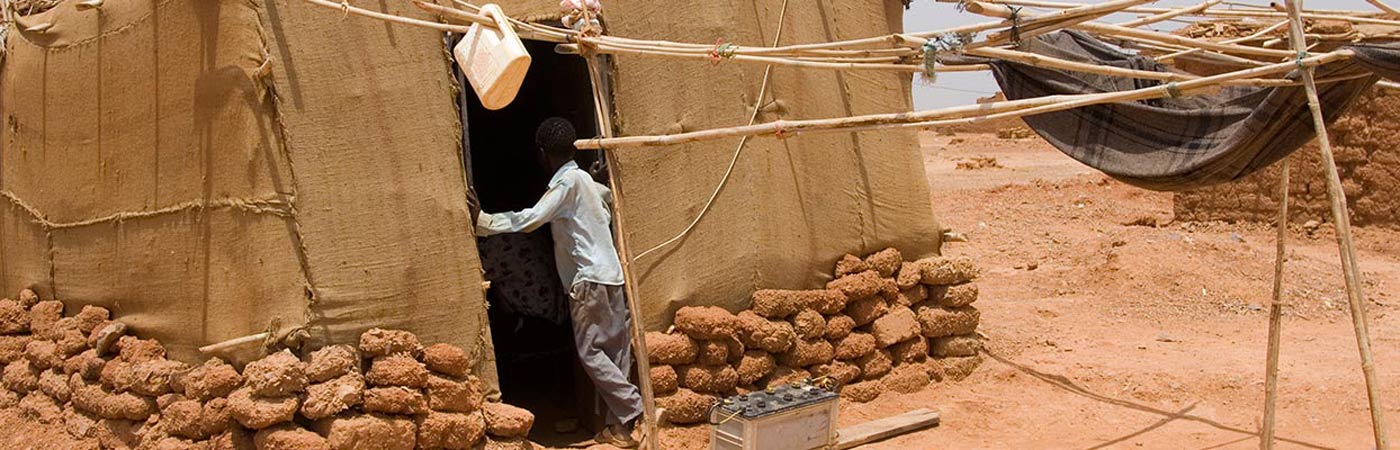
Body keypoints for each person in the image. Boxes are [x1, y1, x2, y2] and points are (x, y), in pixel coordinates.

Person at [470, 117, 642, 448]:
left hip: (588, 280)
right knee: (616, 352)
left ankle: (633, 408)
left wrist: (484, 221)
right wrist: (594, 180)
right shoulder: (587, 183)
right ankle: (619, 429)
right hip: (612, 277)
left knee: (591, 353)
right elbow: (605, 198)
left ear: (542, 155)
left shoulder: (566, 186)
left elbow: (531, 219)